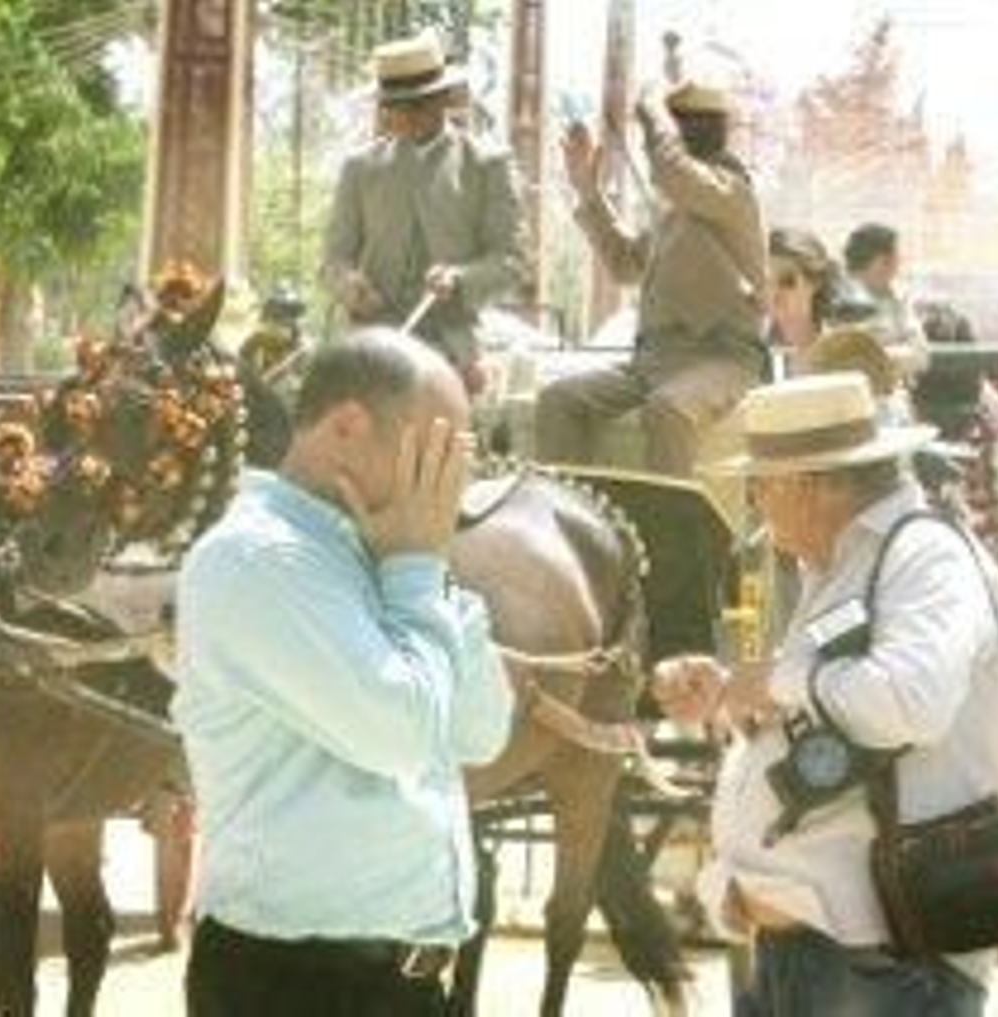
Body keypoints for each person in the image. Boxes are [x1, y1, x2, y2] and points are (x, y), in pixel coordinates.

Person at [652, 372, 998, 1015]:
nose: (756, 509)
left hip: (881, 965)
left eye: (759, 487)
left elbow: (910, 700)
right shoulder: (854, 567)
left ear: (812, 484)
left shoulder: (925, 558)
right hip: (827, 962)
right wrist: (728, 693)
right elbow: (827, 699)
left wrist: (771, 679)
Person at [172, 329, 515, 1016]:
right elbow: (400, 734)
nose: (453, 480)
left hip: (406, 984)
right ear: (348, 426)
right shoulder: (258, 558)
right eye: (438, 450)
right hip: (294, 983)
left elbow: (482, 731)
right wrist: (418, 571)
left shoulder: (388, 553)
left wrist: (425, 567)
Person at [534, 79, 769, 477]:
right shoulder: (675, 209)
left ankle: (667, 534)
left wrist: (653, 111)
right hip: (653, 362)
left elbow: (672, 171)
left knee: (668, 410)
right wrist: (589, 194)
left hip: (721, 359)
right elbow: (625, 263)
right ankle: (569, 523)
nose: (649, 150)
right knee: (559, 401)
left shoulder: (732, 193)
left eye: (660, 139)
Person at [322, 30, 528, 395]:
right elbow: (333, 261)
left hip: (452, 346)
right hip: (371, 341)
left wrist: (460, 279)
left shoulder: (487, 165)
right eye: (392, 105)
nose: (403, 116)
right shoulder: (360, 167)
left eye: (416, 104)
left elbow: (512, 263)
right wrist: (350, 287)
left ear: (444, 98)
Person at [841, 222, 928, 376]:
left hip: (893, 393)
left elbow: (920, 355)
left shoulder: (899, 299)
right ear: (882, 261)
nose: (900, 263)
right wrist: (895, 351)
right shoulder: (839, 298)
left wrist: (877, 355)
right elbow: (843, 359)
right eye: (897, 256)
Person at [765, 227, 841, 376]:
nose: (774, 293)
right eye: (765, 282)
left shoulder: (846, 351)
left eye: (787, 281)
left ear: (816, 282)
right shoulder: (747, 357)